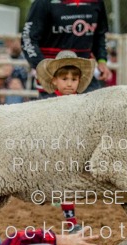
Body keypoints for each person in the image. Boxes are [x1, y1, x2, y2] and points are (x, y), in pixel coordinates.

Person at [36, 51, 95, 232]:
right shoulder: (47, 103)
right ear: (54, 81)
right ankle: (71, 223)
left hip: (76, 149)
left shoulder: (84, 102)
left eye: (74, 79)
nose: (69, 83)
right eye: (64, 78)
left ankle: (68, 217)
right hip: (53, 150)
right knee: (65, 185)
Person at [21, 0, 111, 97]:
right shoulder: (43, 3)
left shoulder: (96, 2)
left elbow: (100, 34)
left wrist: (102, 60)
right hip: (52, 78)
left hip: (83, 75)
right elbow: (28, 38)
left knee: (92, 110)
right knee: (53, 111)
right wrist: (42, 67)